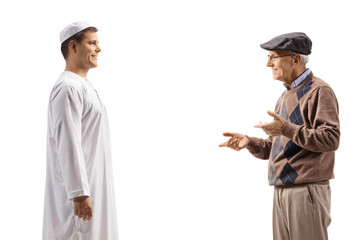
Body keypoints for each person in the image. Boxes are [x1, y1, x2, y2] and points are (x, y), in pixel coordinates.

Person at [219, 32, 340, 240]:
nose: (268, 64)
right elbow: (277, 145)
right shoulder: (284, 96)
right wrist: (250, 142)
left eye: (274, 57)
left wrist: (286, 129)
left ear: (295, 59)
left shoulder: (319, 91)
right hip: (282, 189)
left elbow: (330, 139)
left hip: (306, 190)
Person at [43, 21, 119, 240]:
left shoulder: (83, 86)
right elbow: (68, 140)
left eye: (98, 43)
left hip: (95, 185)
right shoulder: (68, 88)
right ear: (73, 47)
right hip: (78, 195)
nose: (99, 48)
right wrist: (79, 192)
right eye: (92, 43)